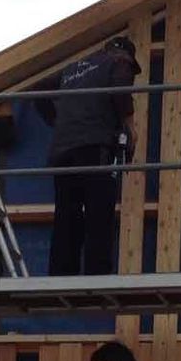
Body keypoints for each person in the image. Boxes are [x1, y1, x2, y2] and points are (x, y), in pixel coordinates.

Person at [39, 34, 140, 276]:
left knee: (67, 212)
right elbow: (120, 90)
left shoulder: (76, 67)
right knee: (99, 210)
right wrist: (130, 126)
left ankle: (62, 273)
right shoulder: (119, 61)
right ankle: (97, 274)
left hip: (64, 150)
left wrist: (59, 122)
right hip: (95, 147)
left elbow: (40, 89)